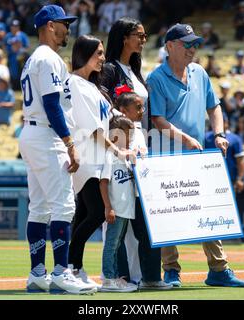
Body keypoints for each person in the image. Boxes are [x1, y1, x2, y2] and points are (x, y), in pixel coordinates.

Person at [147, 23, 244, 288]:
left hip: (197, 156)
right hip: (165, 158)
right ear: (170, 46)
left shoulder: (200, 73)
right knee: (169, 215)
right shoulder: (156, 78)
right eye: (187, 44)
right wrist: (188, 138)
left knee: (208, 212)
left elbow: (214, 107)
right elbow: (157, 120)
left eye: (195, 44)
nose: (193, 49)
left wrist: (219, 134)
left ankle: (218, 269)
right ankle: (171, 271)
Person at [18, 5, 96, 295]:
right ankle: (61, 273)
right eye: (63, 23)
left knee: (38, 208)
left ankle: (38, 272)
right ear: (50, 26)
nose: (67, 28)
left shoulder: (32, 59)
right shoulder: (49, 58)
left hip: (32, 132)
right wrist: (69, 143)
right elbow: (52, 105)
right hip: (47, 136)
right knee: (63, 206)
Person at [66, 34, 136, 290]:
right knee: (95, 213)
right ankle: (69, 267)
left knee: (85, 214)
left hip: (98, 159)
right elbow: (93, 129)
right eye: (98, 53)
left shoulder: (91, 86)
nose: (103, 58)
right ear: (84, 54)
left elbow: (113, 116)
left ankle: (74, 267)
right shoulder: (75, 83)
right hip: (87, 159)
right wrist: (118, 151)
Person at [101, 17, 149, 286]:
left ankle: (139, 275)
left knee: (135, 215)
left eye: (144, 36)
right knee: (118, 216)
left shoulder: (135, 70)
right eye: (139, 35)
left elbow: (144, 110)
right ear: (123, 36)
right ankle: (113, 276)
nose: (143, 40)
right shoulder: (108, 69)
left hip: (141, 141)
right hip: (120, 142)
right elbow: (104, 107)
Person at [112, 91, 172, 289]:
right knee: (117, 236)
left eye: (142, 106)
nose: (142, 111)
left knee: (147, 234)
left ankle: (151, 278)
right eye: (137, 107)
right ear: (123, 110)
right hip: (120, 190)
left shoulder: (139, 131)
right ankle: (120, 278)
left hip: (139, 192)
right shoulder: (112, 129)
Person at [99, 115, 138, 293]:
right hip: (116, 208)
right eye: (127, 136)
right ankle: (108, 279)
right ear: (115, 136)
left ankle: (114, 277)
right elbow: (103, 182)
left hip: (126, 209)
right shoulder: (110, 156)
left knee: (117, 244)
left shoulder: (124, 158)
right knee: (112, 244)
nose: (129, 140)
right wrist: (108, 207)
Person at [205, 115, 244, 194]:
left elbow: (240, 162)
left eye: (223, 122)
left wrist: (240, 179)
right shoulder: (206, 137)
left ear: (227, 123)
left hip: (229, 179)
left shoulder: (235, 139)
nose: (220, 124)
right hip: (209, 179)